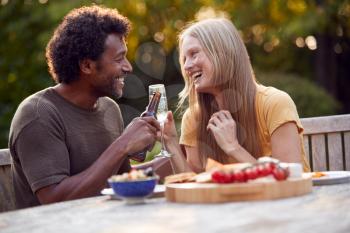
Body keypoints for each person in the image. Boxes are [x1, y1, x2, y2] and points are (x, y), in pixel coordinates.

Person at [9, 6, 161, 209]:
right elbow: (55, 200)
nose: (128, 67)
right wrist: (123, 144)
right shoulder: (38, 114)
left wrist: (179, 152)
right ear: (87, 66)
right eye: (118, 59)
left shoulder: (109, 109)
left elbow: (124, 179)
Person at [164, 18, 310, 173]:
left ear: (223, 53)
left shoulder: (275, 103)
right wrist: (171, 142)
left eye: (194, 54)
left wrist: (233, 147)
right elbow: (193, 185)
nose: (186, 66)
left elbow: (288, 180)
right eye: (184, 59)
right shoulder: (193, 117)